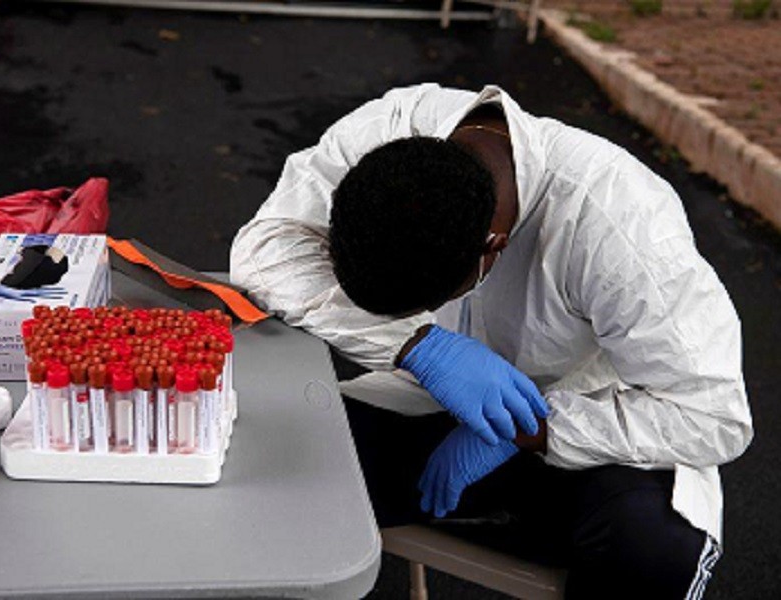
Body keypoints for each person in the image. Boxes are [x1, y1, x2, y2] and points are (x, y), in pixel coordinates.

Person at [230, 84, 752, 599]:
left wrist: (529, 427)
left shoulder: (624, 226)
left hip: (592, 432)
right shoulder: (388, 130)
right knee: (257, 457)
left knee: (656, 551)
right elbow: (265, 248)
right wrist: (421, 346)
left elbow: (713, 415)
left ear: (491, 252)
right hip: (425, 397)